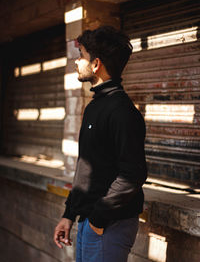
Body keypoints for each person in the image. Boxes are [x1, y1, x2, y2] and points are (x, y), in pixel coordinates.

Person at [54, 26, 147, 262]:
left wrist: (98, 218)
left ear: (96, 64)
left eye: (81, 55)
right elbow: (86, 169)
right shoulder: (95, 106)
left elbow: (133, 174)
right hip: (90, 221)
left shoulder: (122, 112)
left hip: (109, 224)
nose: (76, 62)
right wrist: (69, 214)